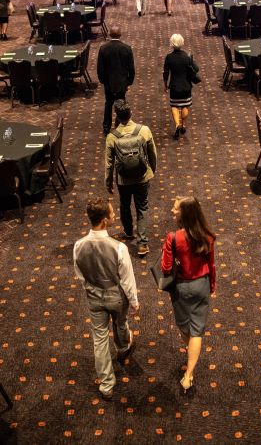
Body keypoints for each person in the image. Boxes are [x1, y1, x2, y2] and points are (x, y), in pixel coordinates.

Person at [73, 198, 139, 400]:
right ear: (104, 220)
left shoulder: (78, 246)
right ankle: (122, 348)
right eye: (111, 214)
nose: (114, 216)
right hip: (116, 297)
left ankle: (106, 385)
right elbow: (127, 279)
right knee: (121, 323)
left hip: (94, 297)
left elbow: (80, 275)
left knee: (99, 340)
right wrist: (134, 301)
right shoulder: (119, 248)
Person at [160, 196, 216, 395]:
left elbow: (166, 268)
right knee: (197, 330)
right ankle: (189, 375)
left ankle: (189, 370)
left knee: (186, 327)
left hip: (181, 287)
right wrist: (212, 285)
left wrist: (167, 253)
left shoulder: (173, 238)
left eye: (175, 209)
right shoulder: (207, 236)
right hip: (201, 285)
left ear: (184, 213)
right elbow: (211, 264)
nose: (172, 211)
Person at [105, 100, 157, 258]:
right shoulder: (144, 130)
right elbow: (152, 154)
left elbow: (109, 164)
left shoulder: (112, 137)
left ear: (117, 117)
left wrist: (108, 182)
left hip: (123, 180)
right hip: (142, 177)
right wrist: (151, 171)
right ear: (131, 113)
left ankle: (128, 232)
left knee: (125, 205)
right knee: (142, 207)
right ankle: (142, 244)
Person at [96, 25, 135, 136]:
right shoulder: (126, 48)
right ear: (120, 34)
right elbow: (131, 68)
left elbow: (100, 68)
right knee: (121, 105)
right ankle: (119, 126)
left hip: (108, 83)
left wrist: (103, 81)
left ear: (109, 34)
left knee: (108, 104)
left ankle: (106, 128)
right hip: (122, 83)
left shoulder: (103, 48)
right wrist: (129, 82)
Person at [162, 33, 199, 140]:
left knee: (174, 106)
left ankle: (177, 124)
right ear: (182, 43)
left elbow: (166, 73)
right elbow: (196, 69)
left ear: (171, 44)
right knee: (185, 106)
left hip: (174, 86)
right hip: (186, 85)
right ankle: (182, 124)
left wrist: (165, 85)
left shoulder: (169, 57)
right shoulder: (186, 57)